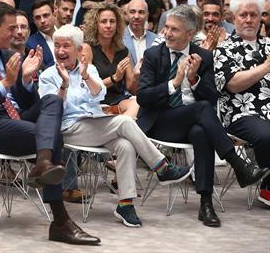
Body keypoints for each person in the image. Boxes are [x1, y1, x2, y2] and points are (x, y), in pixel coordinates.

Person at [0, 1, 100, 245]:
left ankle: (43, 163)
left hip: (15, 120)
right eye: (10, 28)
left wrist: (27, 80)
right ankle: (60, 219)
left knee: (51, 99)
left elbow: (27, 102)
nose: (16, 34)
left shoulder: (10, 55)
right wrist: (5, 84)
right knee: (53, 138)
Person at [39, 24, 191, 227]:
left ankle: (125, 204)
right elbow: (54, 108)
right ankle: (162, 167)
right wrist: (65, 84)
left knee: (125, 146)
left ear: (77, 49)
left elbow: (100, 94)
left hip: (95, 123)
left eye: (66, 46)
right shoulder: (48, 75)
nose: (60, 51)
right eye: (57, 46)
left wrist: (85, 76)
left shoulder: (89, 69)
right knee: (125, 121)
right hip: (70, 128)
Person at [137, 4, 269, 227]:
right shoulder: (153, 55)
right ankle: (237, 164)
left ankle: (206, 204)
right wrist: (175, 83)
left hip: (192, 121)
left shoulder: (204, 56)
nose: (167, 33)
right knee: (202, 111)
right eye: (166, 28)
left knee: (202, 131)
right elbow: (143, 98)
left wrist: (194, 79)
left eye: (174, 30)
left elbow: (212, 97)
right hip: (161, 121)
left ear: (190, 34)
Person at [214, 0, 270, 206]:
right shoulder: (225, 49)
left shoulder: (268, 45)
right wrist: (265, 67)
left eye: (254, 15)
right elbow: (234, 84)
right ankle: (267, 189)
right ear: (234, 18)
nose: (248, 20)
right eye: (243, 15)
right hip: (242, 114)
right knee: (267, 135)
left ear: (261, 18)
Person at [82, 3, 139, 117]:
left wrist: (137, 76)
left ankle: (119, 127)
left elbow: (132, 89)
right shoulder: (87, 48)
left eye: (112, 21)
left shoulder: (123, 51)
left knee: (138, 104)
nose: (108, 25)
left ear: (117, 25)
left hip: (117, 101)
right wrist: (114, 78)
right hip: (94, 102)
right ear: (95, 25)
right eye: (104, 21)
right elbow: (86, 87)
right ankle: (120, 128)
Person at [123, 0, 157, 66]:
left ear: (147, 16)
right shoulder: (118, 38)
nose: (136, 16)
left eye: (141, 12)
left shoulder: (156, 39)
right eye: (132, 12)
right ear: (127, 15)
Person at [27, 0, 57, 68]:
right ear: (34, 20)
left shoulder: (67, 35)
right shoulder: (30, 44)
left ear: (54, 14)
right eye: (38, 18)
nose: (42, 21)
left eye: (46, 15)